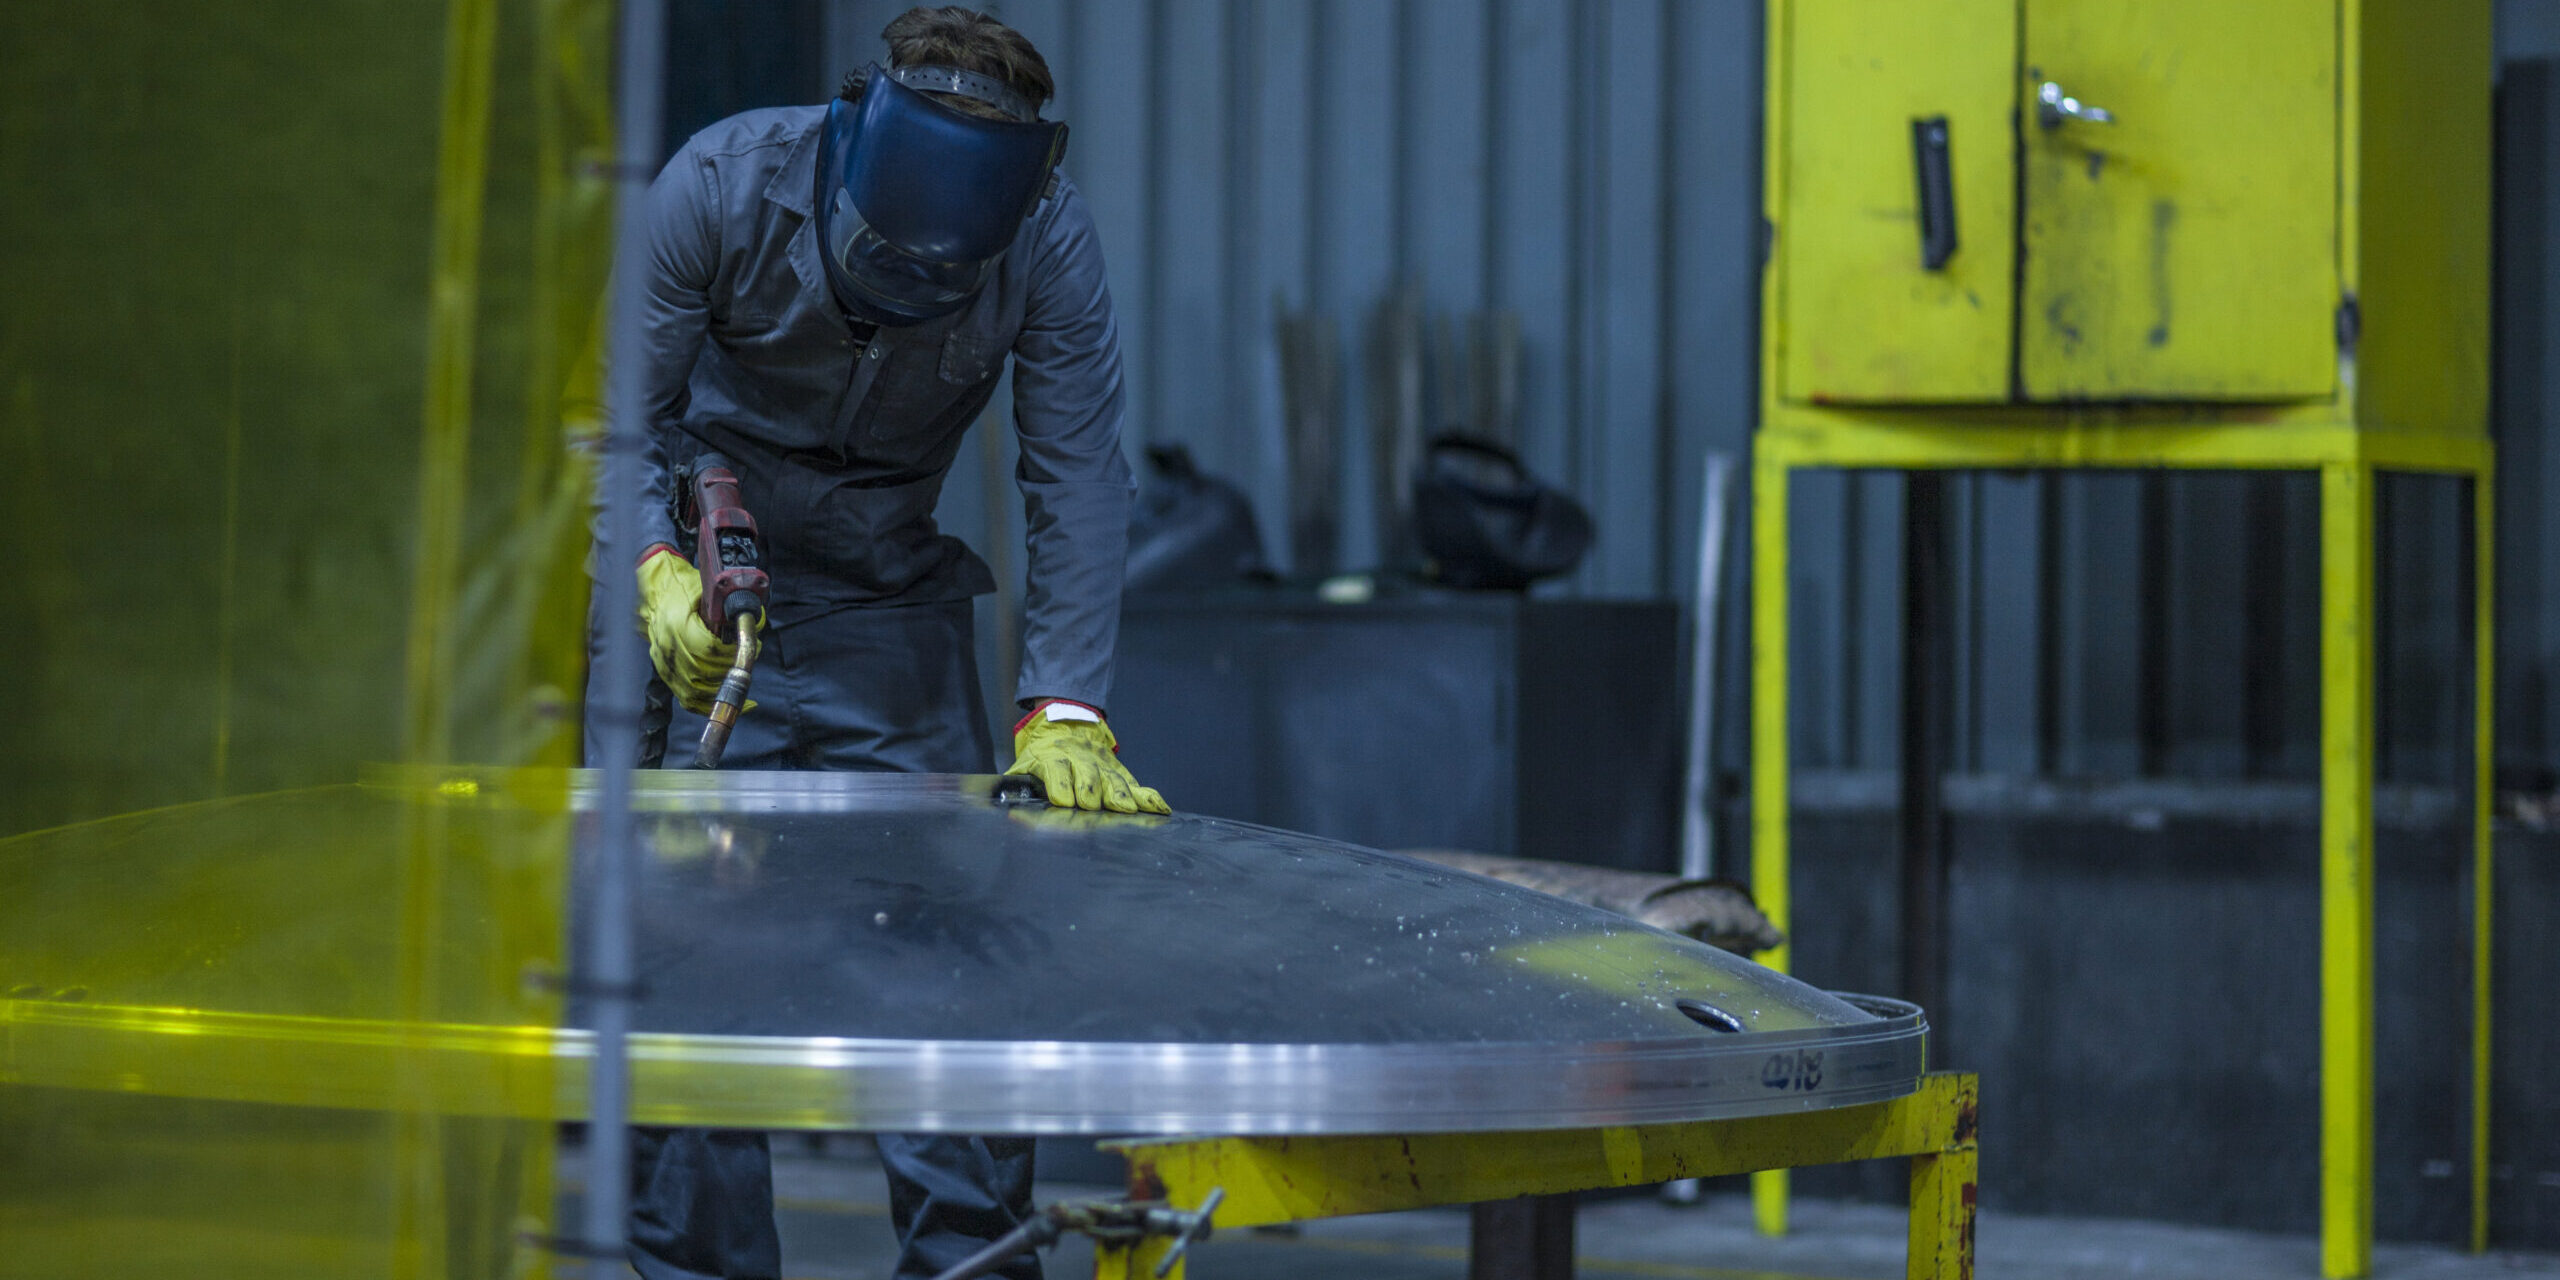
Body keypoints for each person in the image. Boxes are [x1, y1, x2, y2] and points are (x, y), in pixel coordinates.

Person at [585, 8, 1169, 1278]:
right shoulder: (721, 184)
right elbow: (614, 422)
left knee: (954, 961)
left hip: (883, 599)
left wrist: (1062, 701)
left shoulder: (1047, 234)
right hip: (697, 574)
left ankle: (970, 1262)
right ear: (848, 144)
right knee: (681, 977)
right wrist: (653, 571)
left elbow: (1076, 474)